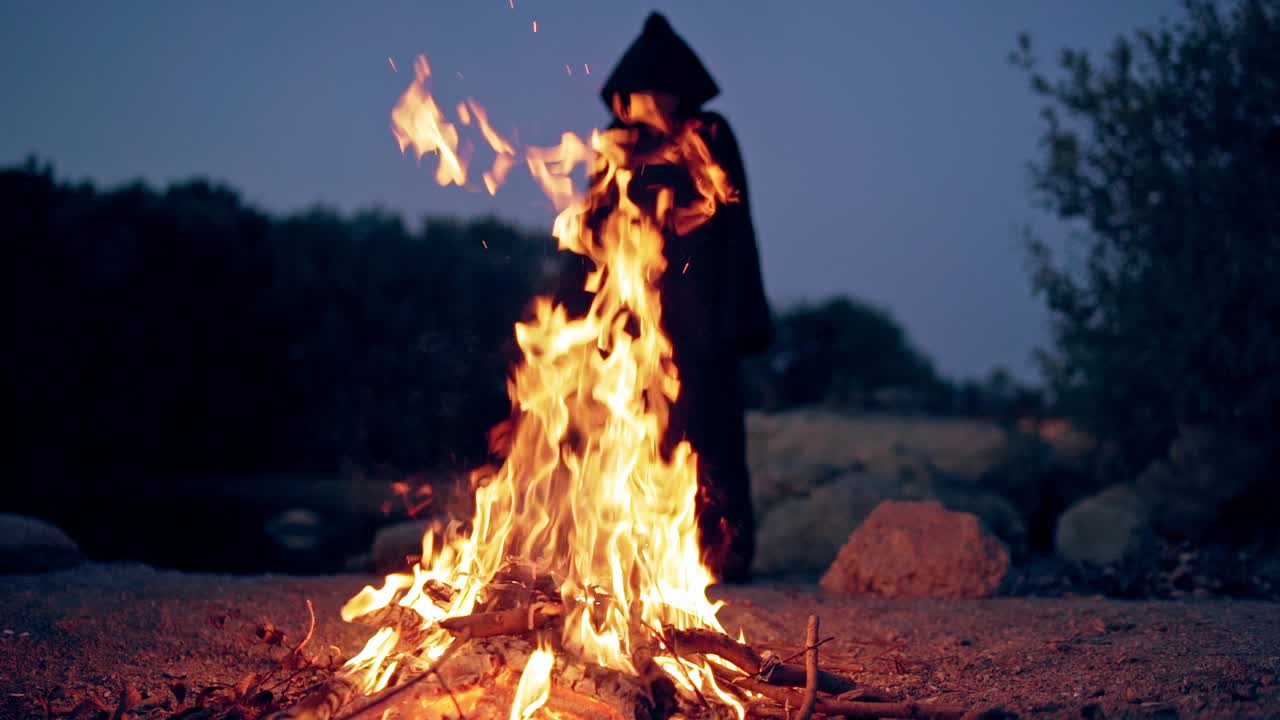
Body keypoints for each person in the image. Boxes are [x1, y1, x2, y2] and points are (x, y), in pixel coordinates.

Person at [586, 12, 775, 582]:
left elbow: (736, 227)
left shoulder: (709, 135)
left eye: (659, 90)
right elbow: (591, 240)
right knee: (643, 432)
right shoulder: (614, 150)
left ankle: (724, 554)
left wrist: (741, 315)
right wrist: (587, 320)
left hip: (704, 316)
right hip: (639, 323)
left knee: (712, 432)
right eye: (641, 91)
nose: (650, 101)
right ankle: (643, 554)